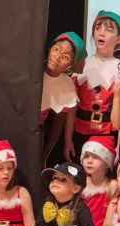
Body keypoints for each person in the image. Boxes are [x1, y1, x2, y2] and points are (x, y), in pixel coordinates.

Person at [64, 10, 120, 163]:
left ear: (119, 38)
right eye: (97, 28)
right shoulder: (82, 66)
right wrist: (67, 140)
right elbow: (72, 109)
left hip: (107, 136)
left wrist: (119, 147)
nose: (101, 33)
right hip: (80, 134)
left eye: (108, 29)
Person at [41, 32, 87, 166]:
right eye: (56, 49)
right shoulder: (33, 68)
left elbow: (61, 120)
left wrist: (46, 152)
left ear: (70, 66)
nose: (57, 57)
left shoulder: (66, 85)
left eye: (65, 57)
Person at [79, 136, 117, 226]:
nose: (89, 161)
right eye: (86, 156)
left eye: (95, 157)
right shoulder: (80, 184)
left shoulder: (112, 186)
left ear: (107, 163)